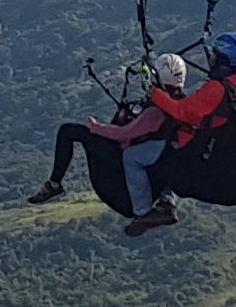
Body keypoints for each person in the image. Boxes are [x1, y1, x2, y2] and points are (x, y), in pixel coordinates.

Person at [32, 49, 218, 233]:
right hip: (157, 175)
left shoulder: (157, 111)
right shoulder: (181, 105)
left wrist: (95, 127)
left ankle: (55, 185)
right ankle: (161, 203)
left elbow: (123, 135)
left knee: (70, 132)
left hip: (121, 190)